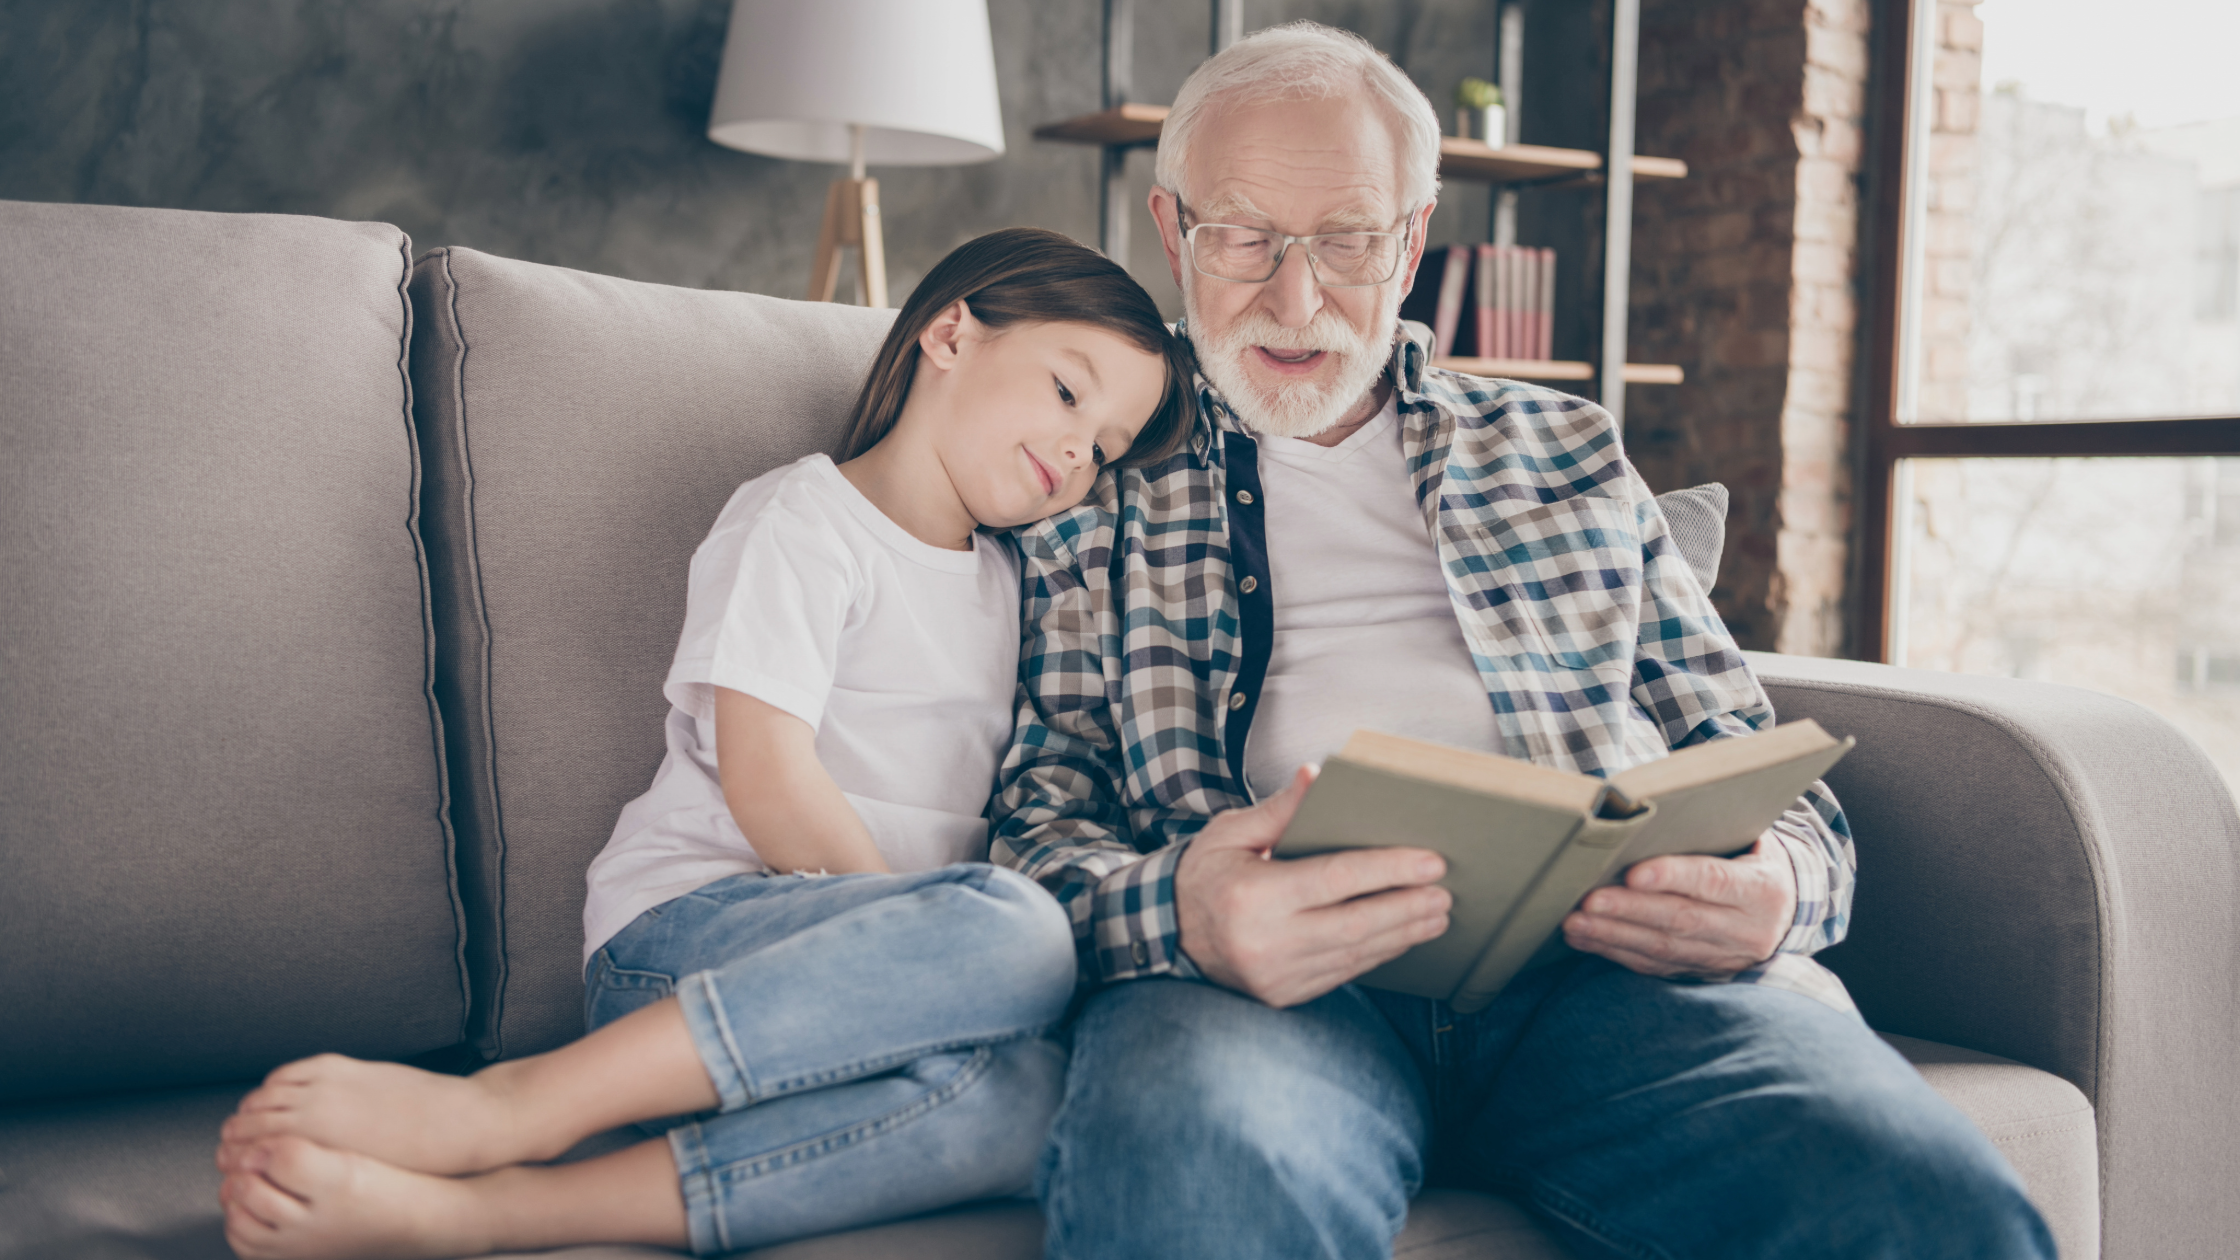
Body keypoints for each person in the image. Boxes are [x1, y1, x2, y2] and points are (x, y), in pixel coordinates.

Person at [992, 23, 2056, 1260]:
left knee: (1927, 1205)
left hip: (1605, 982)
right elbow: (1029, 816)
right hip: (1256, 987)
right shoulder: (1081, 460)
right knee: (1187, 1190)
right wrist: (1178, 909)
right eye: (1242, 238)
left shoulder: (1562, 450)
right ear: (1174, 232)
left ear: (1411, 238)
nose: (1295, 300)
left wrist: (1772, 895)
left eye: (1344, 241)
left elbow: (1747, 755)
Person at [210, 227, 1196, 1260]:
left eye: (1109, 447)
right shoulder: (808, 518)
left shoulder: (1020, 583)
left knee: (1036, 1100)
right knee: (1015, 931)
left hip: (871, 1008)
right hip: (689, 941)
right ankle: (513, 1109)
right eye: (1068, 393)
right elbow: (768, 780)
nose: (1080, 450)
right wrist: (920, 941)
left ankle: (483, 1215)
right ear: (949, 333)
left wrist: (925, 980)